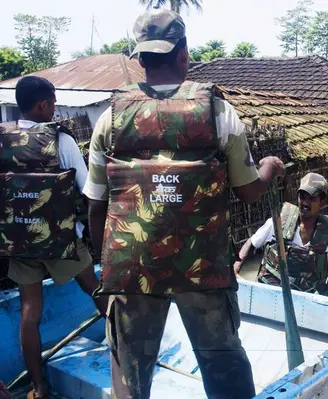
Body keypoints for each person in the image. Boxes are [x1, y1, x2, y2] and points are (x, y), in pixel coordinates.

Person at [83, 9, 284, 399]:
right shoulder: (220, 114)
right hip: (202, 265)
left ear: (140, 58)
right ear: (184, 52)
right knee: (222, 360)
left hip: (132, 269)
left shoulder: (110, 118)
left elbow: (96, 206)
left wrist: (107, 275)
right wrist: (269, 168)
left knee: (129, 370)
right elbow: (247, 192)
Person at [0, 76, 107, 399]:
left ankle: (38, 386)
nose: (54, 108)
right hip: (61, 240)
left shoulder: (2, 138)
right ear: (43, 104)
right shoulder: (60, 140)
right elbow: (88, 189)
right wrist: (92, 234)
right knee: (97, 290)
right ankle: (126, 354)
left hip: (19, 239)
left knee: (30, 311)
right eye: (53, 102)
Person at [235, 173, 328, 296]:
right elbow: (252, 242)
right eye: (302, 197)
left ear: (322, 201)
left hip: (306, 297)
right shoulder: (278, 223)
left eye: (312, 198)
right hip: (272, 293)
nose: (305, 202)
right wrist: (236, 266)